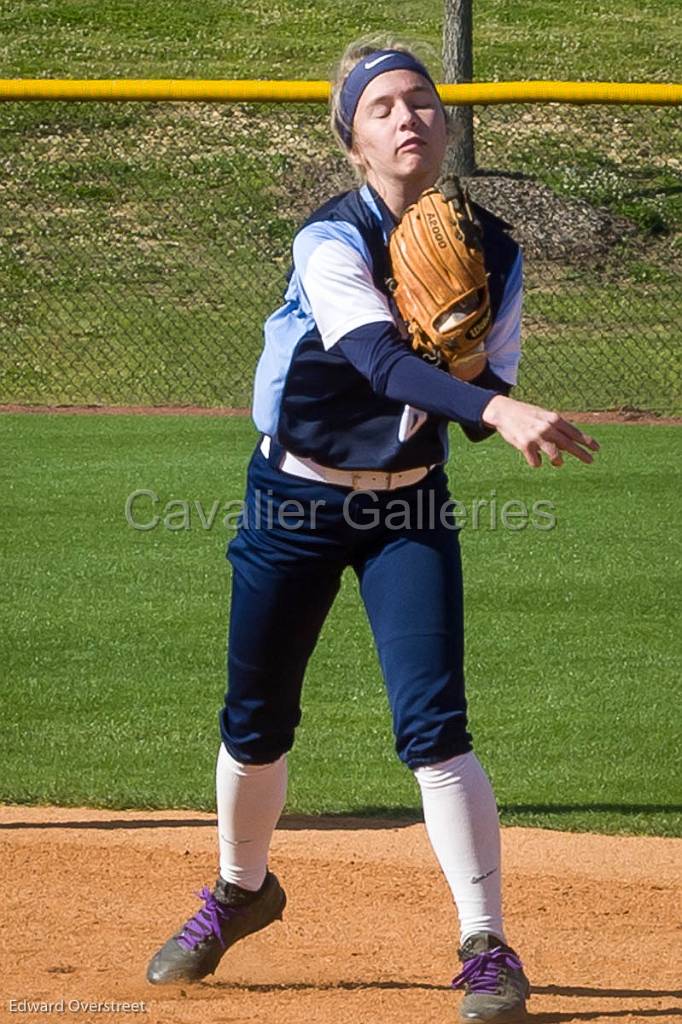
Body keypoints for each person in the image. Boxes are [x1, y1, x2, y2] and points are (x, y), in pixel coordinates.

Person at [146, 39, 599, 1024]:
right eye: (382, 106)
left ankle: (486, 945)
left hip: (407, 507)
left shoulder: (496, 248)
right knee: (255, 718)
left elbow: (488, 388)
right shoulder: (329, 239)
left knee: (434, 727)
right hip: (294, 500)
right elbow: (377, 364)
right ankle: (239, 891)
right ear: (352, 139)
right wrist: (491, 409)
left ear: (444, 125)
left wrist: (483, 388)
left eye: (421, 101)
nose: (407, 117)